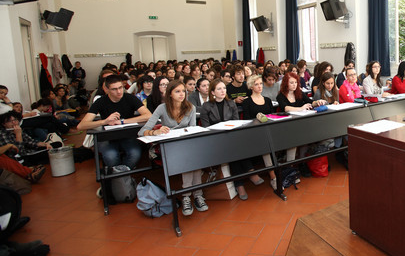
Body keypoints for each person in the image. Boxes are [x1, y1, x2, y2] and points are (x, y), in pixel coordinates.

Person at [138, 81, 203, 216]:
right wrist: (155, 132)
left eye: (183, 91)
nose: (182, 94)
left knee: (194, 156)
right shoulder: (162, 108)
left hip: (185, 144)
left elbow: (193, 129)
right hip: (169, 146)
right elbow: (142, 131)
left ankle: (195, 194)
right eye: (177, 91)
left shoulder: (190, 107)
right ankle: (189, 195)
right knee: (190, 158)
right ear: (170, 94)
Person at [200, 79, 264, 200]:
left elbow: (236, 123)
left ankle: (240, 185)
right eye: (219, 89)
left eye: (224, 88)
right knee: (233, 150)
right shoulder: (206, 106)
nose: (223, 91)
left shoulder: (230, 103)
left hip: (231, 137)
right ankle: (250, 173)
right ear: (212, 92)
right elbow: (206, 128)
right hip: (216, 139)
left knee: (235, 148)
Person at [77, 74, 151, 169]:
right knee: (111, 157)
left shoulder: (130, 98)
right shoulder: (101, 102)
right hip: (108, 137)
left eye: (120, 87)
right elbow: (81, 126)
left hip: (127, 135)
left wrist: (123, 121)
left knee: (134, 154)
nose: (119, 91)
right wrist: (105, 121)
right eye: (114, 89)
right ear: (107, 90)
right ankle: (120, 177)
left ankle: (121, 176)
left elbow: (148, 115)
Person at [277, 72, 326, 163]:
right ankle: (291, 163)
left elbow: (310, 102)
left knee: (312, 133)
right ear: (285, 83)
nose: (294, 85)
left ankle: (303, 160)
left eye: (295, 82)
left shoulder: (299, 93)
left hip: (301, 122)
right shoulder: (281, 95)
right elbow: (286, 108)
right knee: (296, 138)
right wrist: (301, 108)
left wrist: (318, 102)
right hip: (288, 124)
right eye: (291, 83)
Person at [241, 75, 277, 189]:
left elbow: (272, 116)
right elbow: (247, 121)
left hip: (269, 130)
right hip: (255, 133)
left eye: (261, 84)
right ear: (251, 86)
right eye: (256, 84)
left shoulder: (267, 100)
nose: (259, 86)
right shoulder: (247, 102)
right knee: (266, 145)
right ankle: (273, 177)